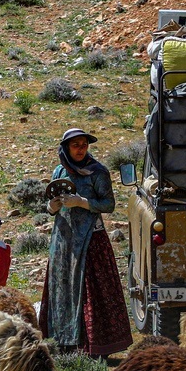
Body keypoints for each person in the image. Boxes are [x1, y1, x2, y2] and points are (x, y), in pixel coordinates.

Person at [39, 128, 132, 356]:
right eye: (75, 145)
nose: (80, 149)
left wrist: (81, 202)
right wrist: (52, 207)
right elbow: (49, 203)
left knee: (91, 291)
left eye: (84, 145)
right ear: (66, 148)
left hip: (91, 240)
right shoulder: (60, 171)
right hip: (63, 241)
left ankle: (92, 346)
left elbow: (108, 204)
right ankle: (63, 342)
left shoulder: (97, 172)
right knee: (62, 289)